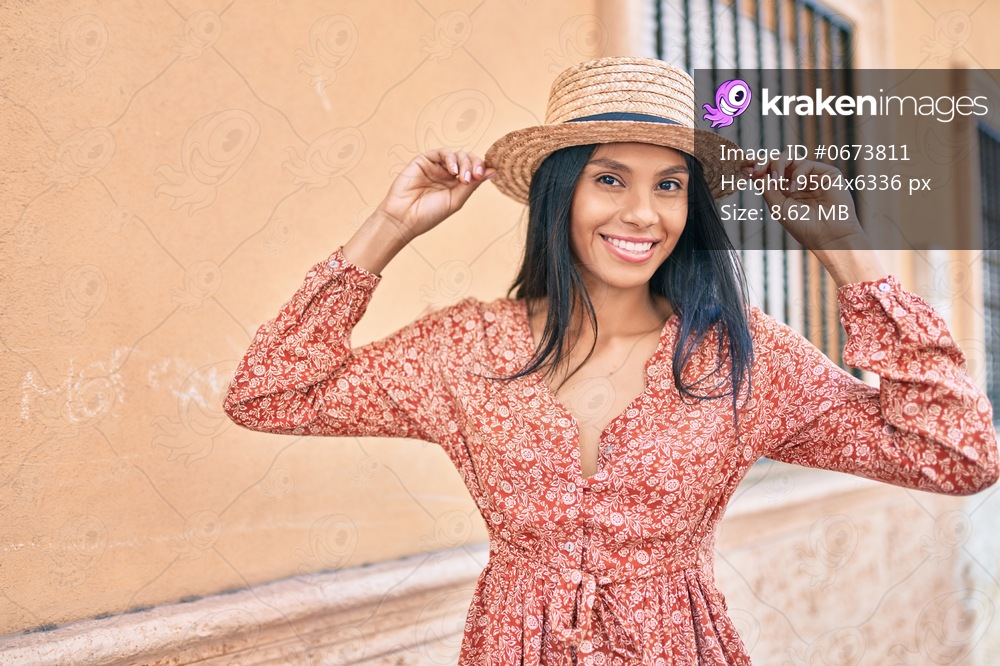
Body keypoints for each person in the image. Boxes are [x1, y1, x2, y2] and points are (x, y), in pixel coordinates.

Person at [224, 57, 999, 665]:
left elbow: (958, 454)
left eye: (668, 185)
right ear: (560, 194)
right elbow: (267, 393)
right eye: (609, 179)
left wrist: (845, 252)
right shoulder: (461, 350)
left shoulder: (743, 360)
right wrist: (388, 227)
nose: (642, 213)